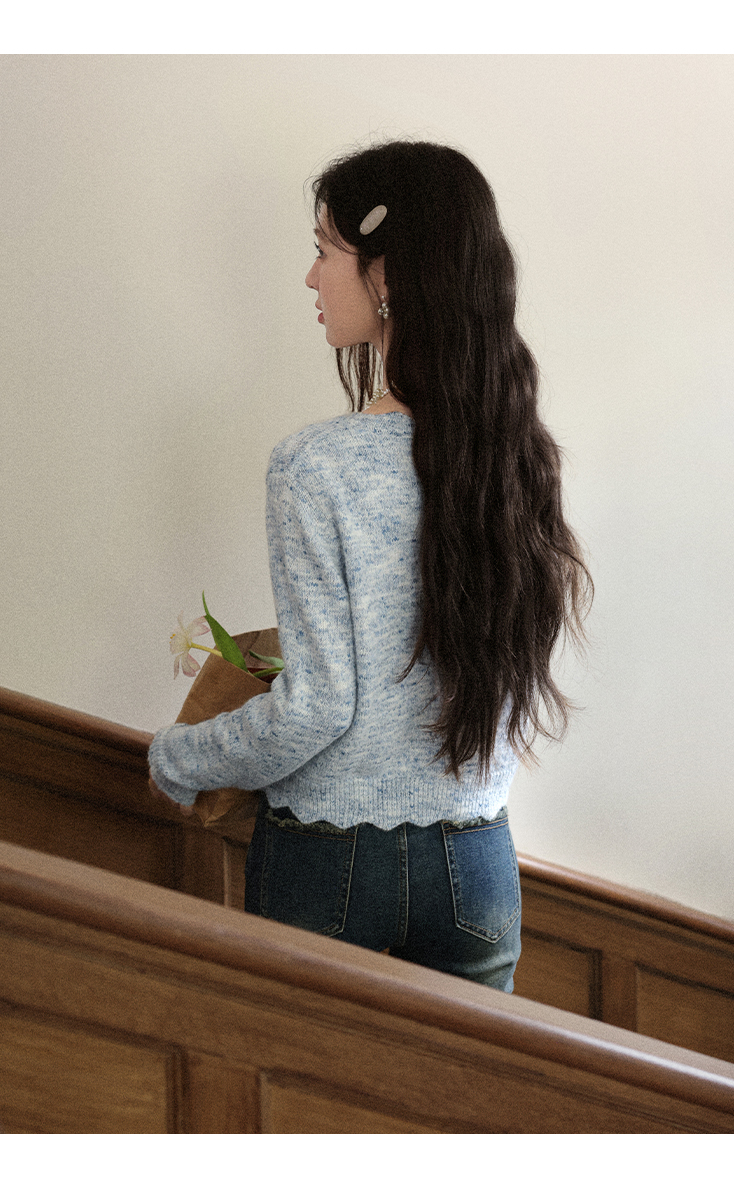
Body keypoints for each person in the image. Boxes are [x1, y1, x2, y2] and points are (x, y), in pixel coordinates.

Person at [148, 139, 592, 992]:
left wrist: (180, 758)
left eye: (325, 250)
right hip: (478, 861)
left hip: (331, 863)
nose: (310, 277)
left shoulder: (315, 464)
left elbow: (316, 710)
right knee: (467, 1084)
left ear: (384, 271)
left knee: (290, 1077)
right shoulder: (519, 456)